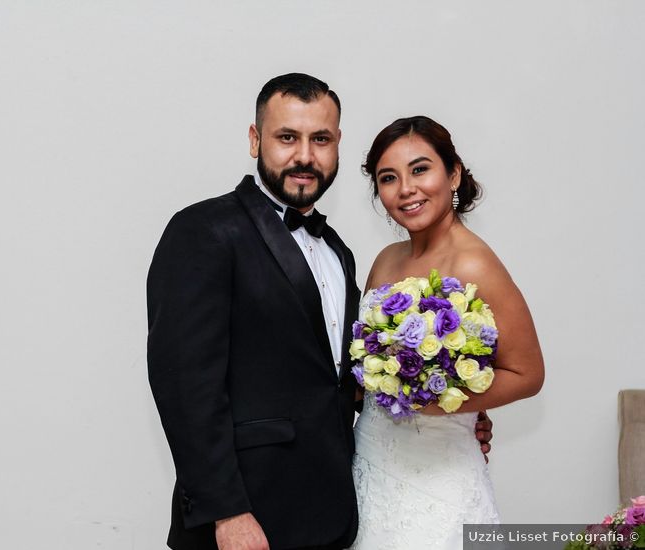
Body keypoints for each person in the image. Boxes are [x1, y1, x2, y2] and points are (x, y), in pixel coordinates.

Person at [147, 74, 493, 550]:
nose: (305, 156)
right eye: (287, 137)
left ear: (337, 147)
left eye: (320, 139)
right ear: (255, 140)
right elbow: (185, 388)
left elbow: (340, 376)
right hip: (245, 522)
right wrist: (227, 513)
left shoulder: (337, 250)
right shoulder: (203, 231)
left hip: (334, 512)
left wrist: (447, 406)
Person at [348, 116, 545, 549]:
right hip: (371, 466)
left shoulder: (476, 264)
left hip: (441, 479)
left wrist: (447, 403)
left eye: (420, 169)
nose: (406, 189)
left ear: (453, 173)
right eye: (388, 178)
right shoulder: (384, 261)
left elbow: (527, 373)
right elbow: (364, 368)